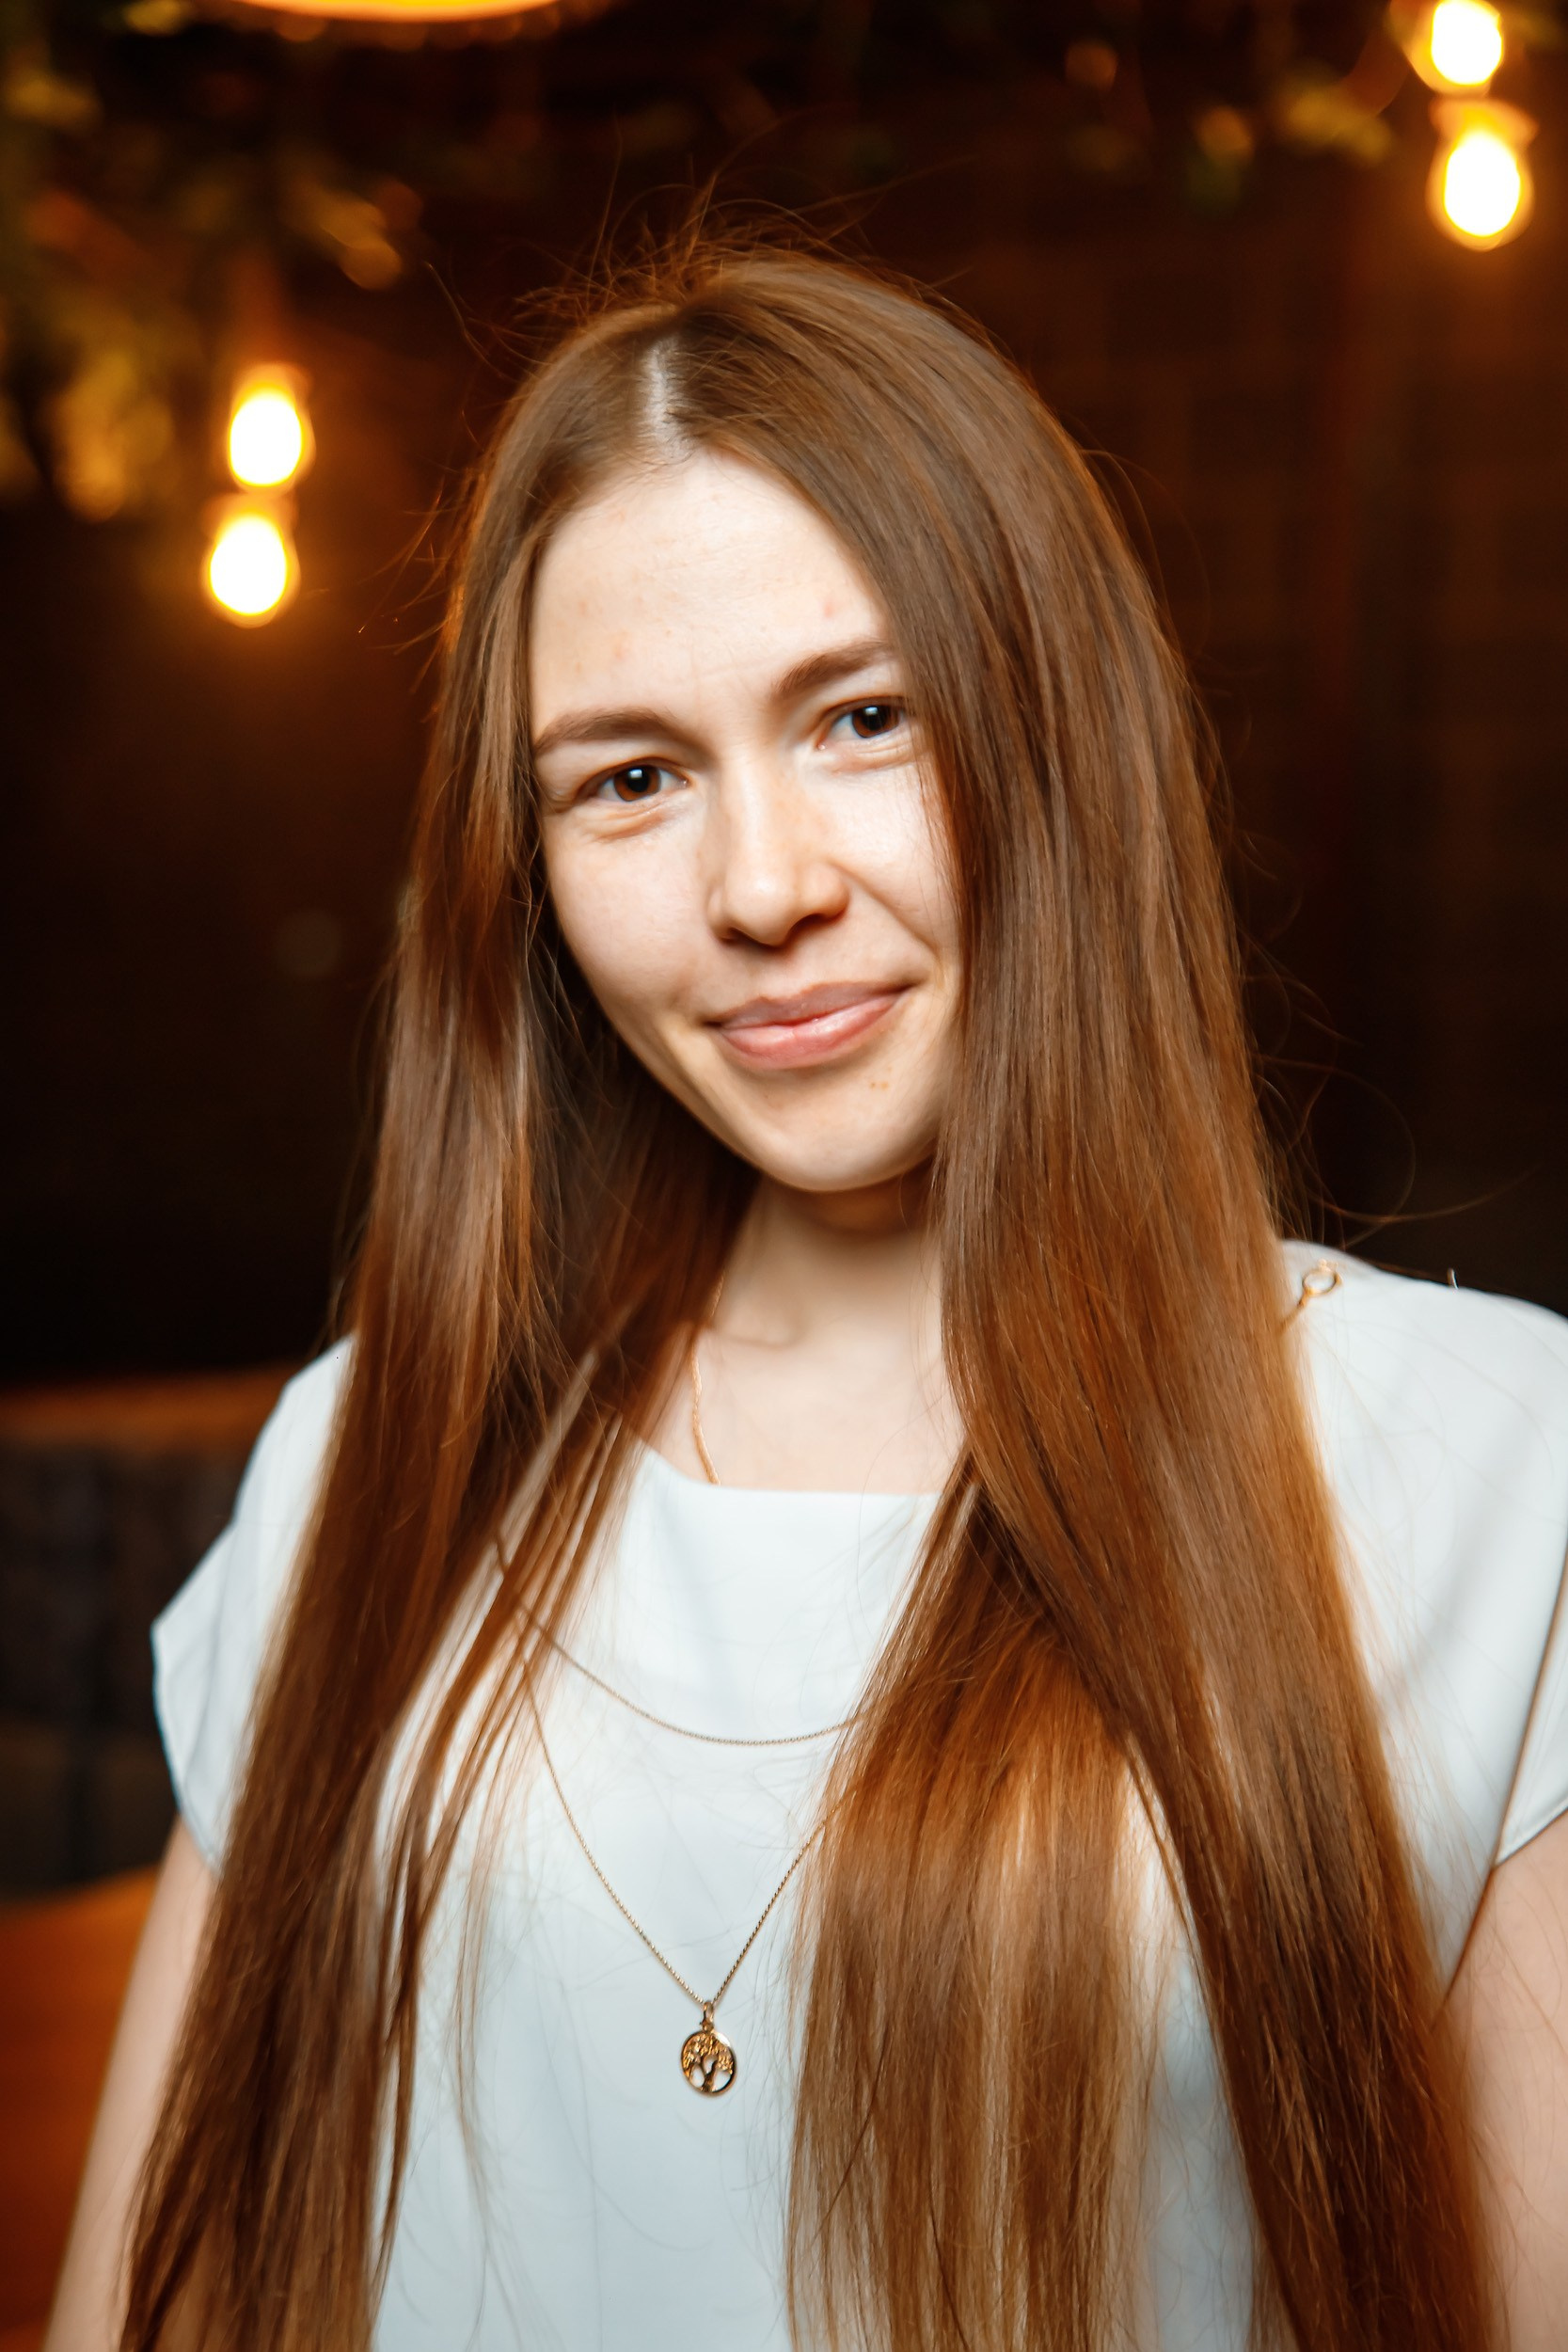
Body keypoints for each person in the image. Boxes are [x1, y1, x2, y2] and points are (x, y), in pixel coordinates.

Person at [45, 242, 1568, 2352]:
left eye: (865, 719)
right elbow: (155, 2298)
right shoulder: (372, 1450)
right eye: (631, 777)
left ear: (1058, 735)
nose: (763, 887)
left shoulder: (1490, 1467)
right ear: (529, 868)